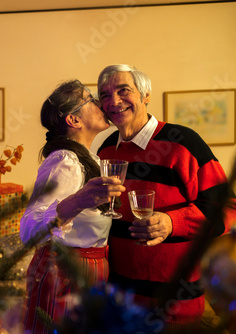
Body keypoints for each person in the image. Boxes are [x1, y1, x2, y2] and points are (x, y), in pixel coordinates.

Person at [96, 64, 231, 330]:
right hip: (121, 304)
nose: (114, 101)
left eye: (124, 90)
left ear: (145, 95)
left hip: (175, 307)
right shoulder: (105, 149)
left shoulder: (183, 143)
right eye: (105, 95)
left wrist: (172, 223)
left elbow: (228, 209)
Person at [20, 80, 125, 333]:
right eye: (91, 99)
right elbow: (28, 229)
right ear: (73, 120)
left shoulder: (91, 160)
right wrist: (79, 201)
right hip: (62, 274)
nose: (102, 103)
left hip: (89, 271)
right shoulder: (65, 161)